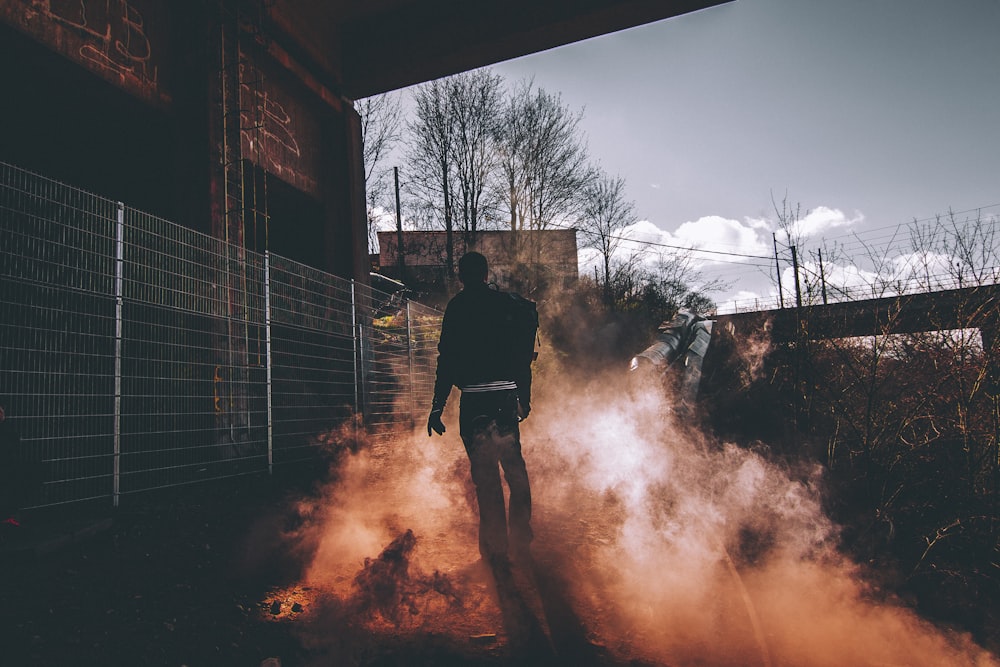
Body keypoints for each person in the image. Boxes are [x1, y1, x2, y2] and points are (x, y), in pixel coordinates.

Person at [427, 252, 534, 569]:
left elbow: (446, 362)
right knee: (515, 473)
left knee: (486, 480)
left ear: (462, 277)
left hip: (473, 402)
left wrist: (437, 406)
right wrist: (523, 398)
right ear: (487, 274)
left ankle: (495, 550)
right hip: (504, 400)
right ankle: (521, 540)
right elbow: (521, 358)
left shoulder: (456, 308)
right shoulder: (506, 305)